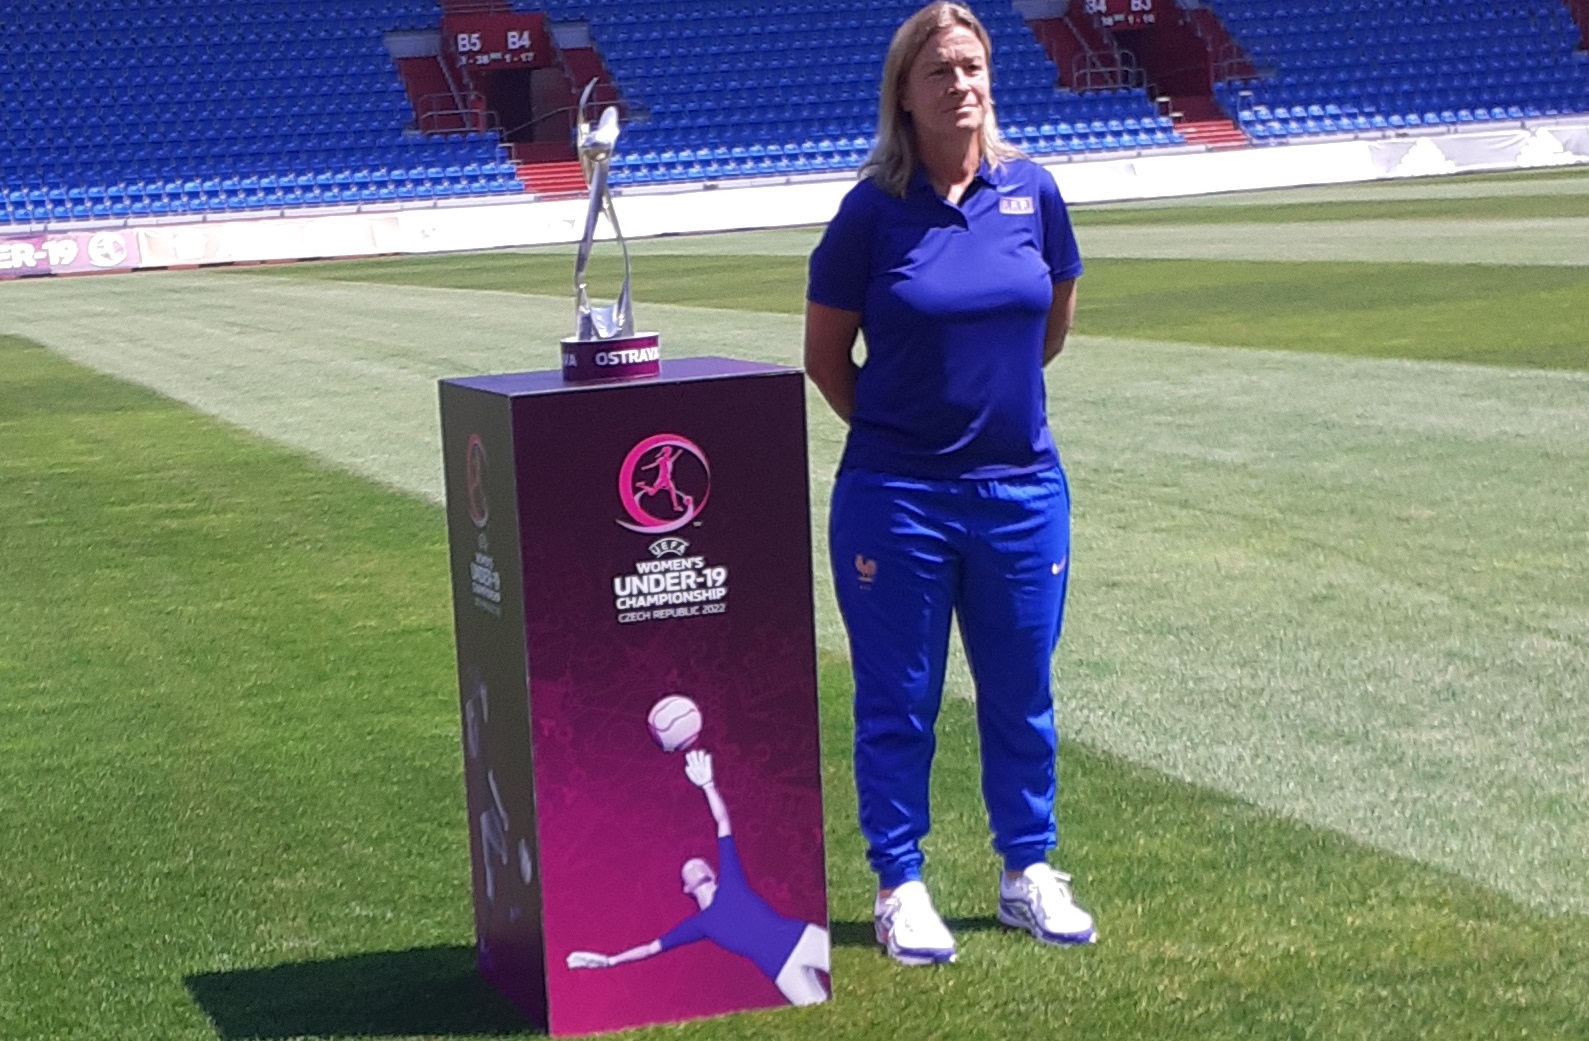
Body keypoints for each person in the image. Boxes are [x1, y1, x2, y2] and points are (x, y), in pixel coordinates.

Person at [804, 1, 1096, 966]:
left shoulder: (1032, 191)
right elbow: (824, 355)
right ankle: (899, 884)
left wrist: (987, 417)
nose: (960, 86)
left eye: (972, 67)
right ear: (904, 94)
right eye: (939, 72)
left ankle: (1027, 871)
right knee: (900, 696)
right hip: (898, 497)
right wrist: (905, 435)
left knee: (1022, 691)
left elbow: (1046, 327)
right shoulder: (869, 211)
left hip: (1021, 491)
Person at [564, 750, 831, 1006]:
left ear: (713, 873)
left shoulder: (731, 883)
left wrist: (708, 785)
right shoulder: (701, 925)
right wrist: (610, 961)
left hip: (802, 938)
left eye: (700, 863)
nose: (695, 866)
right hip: (780, 970)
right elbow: (650, 948)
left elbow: (723, 821)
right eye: (689, 868)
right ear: (687, 887)